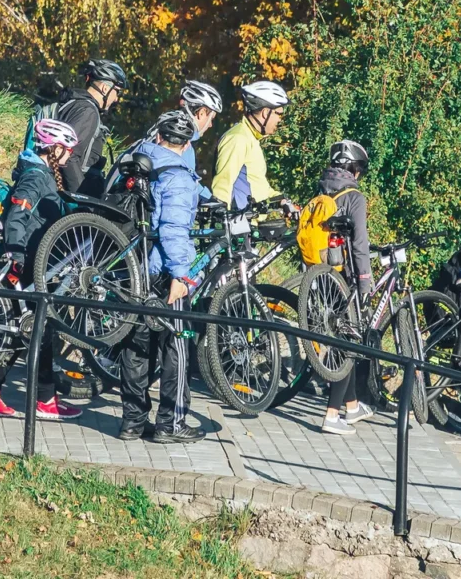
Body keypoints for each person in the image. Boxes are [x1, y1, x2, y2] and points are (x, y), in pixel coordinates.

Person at [0, 119, 84, 421]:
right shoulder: (36, 176)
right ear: (55, 148)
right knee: (34, 328)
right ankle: (37, 399)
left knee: (32, 329)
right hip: (25, 260)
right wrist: (16, 252)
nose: (70, 156)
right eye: (68, 150)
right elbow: (18, 215)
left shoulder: (43, 172)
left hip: (36, 260)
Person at [119, 111, 204, 443]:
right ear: (186, 145)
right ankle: (171, 423)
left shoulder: (140, 159)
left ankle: (132, 422)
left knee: (136, 344)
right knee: (176, 346)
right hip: (163, 270)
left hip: (132, 267)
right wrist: (180, 275)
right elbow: (173, 229)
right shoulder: (179, 176)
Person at [316, 140, 377, 435]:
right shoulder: (354, 196)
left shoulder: (322, 188)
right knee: (348, 341)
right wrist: (365, 281)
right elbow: (360, 243)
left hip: (320, 275)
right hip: (346, 277)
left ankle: (351, 407)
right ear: (353, 167)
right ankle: (331, 415)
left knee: (341, 332)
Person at [212, 81, 291, 211]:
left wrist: (281, 201)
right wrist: (223, 222)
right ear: (266, 112)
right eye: (278, 114)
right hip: (239, 225)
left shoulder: (251, 139)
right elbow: (223, 183)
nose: (280, 120)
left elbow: (260, 188)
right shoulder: (238, 138)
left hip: (251, 224)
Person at [55, 59, 129, 196]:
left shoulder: (72, 103)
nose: (116, 99)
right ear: (105, 88)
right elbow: (68, 155)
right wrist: (81, 199)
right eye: (117, 92)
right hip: (71, 193)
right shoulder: (88, 111)